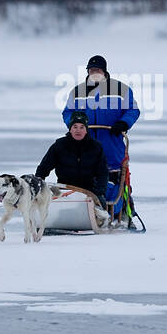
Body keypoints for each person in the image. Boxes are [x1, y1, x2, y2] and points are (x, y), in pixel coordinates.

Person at [62, 55, 139, 215]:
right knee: (81, 178)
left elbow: (133, 110)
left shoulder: (122, 90)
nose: (94, 72)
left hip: (111, 144)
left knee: (113, 180)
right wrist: (73, 124)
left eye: (97, 69)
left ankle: (117, 210)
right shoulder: (77, 91)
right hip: (84, 145)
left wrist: (123, 123)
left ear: (104, 71)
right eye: (91, 69)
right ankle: (79, 211)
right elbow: (68, 112)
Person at [36, 110, 108, 209]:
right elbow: (44, 168)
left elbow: (103, 173)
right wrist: (39, 184)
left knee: (101, 204)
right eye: (75, 127)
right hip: (64, 189)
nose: (78, 130)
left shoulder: (96, 147)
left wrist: (99, 192)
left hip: (89, 190)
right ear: (70, 129)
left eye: (82, 127)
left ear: (86, 130)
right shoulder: (59, 145)